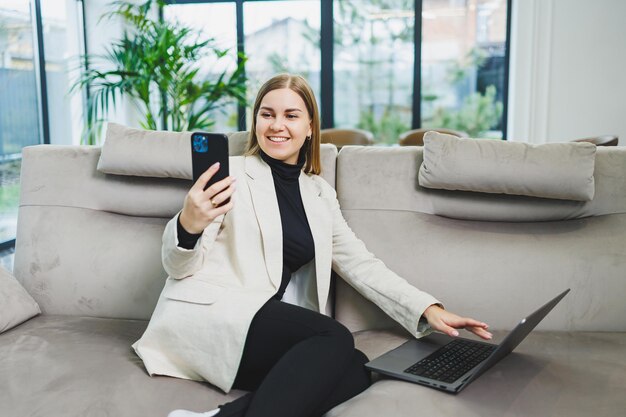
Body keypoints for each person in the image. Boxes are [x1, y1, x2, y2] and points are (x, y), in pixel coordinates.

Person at [132, 74, 492, 417]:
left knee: (356, 369)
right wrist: (188, 225)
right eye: (267, 114)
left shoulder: (319, 194)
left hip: (256, 329)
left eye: (291, 115)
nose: (277, 125)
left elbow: (360, 264)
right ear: (256, 121)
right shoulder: (231, 173)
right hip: (211, 316)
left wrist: (428, 308)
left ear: (309, 128)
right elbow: (179, 268)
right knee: (332, 335)